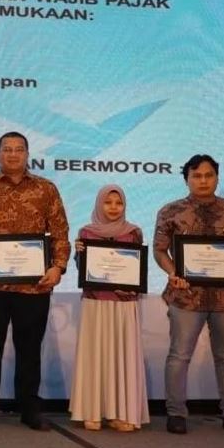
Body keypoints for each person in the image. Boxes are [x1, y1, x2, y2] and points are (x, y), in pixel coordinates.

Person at [0, 131, 70, 431]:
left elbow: (60, 233)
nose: (12, 154)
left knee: (30, 351)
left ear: (27, 154)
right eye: (7, 149)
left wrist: (58, 267)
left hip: (34, 287)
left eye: (18, 149)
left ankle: (29, 409)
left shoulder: (46, 189)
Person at [154, 154, 224, 435]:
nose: (203, 180)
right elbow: (159, 250)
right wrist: (172, 272)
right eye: (196, 176)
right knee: (179, 355)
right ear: (186, 179)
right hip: (186, 295)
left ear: (217, 177)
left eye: (208, 175)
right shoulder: (170, 211)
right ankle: (176, 413)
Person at [69, 185, 149, 432]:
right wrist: (78, 254)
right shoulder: (86, 232)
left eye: (119, 203)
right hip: (95, 302)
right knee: (95, 356)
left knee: (122, 357)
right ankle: (91, 411)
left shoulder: (133, 232)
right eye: (108, 202)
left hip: (123, 305)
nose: (113, 207)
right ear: (99, 204)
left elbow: (137, 268)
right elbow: (84, 269)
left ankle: (120, 413)